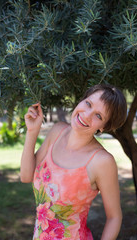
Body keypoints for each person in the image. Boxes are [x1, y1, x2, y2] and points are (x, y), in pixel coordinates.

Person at [20, 84, 127, 240]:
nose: (87, 115)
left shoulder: (102, 161)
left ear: (104, 127)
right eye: (88, 104)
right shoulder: (57, 131)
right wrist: (32, 132)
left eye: (99, 116)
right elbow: (26, 176)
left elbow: (114, 217)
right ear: (81, 101)